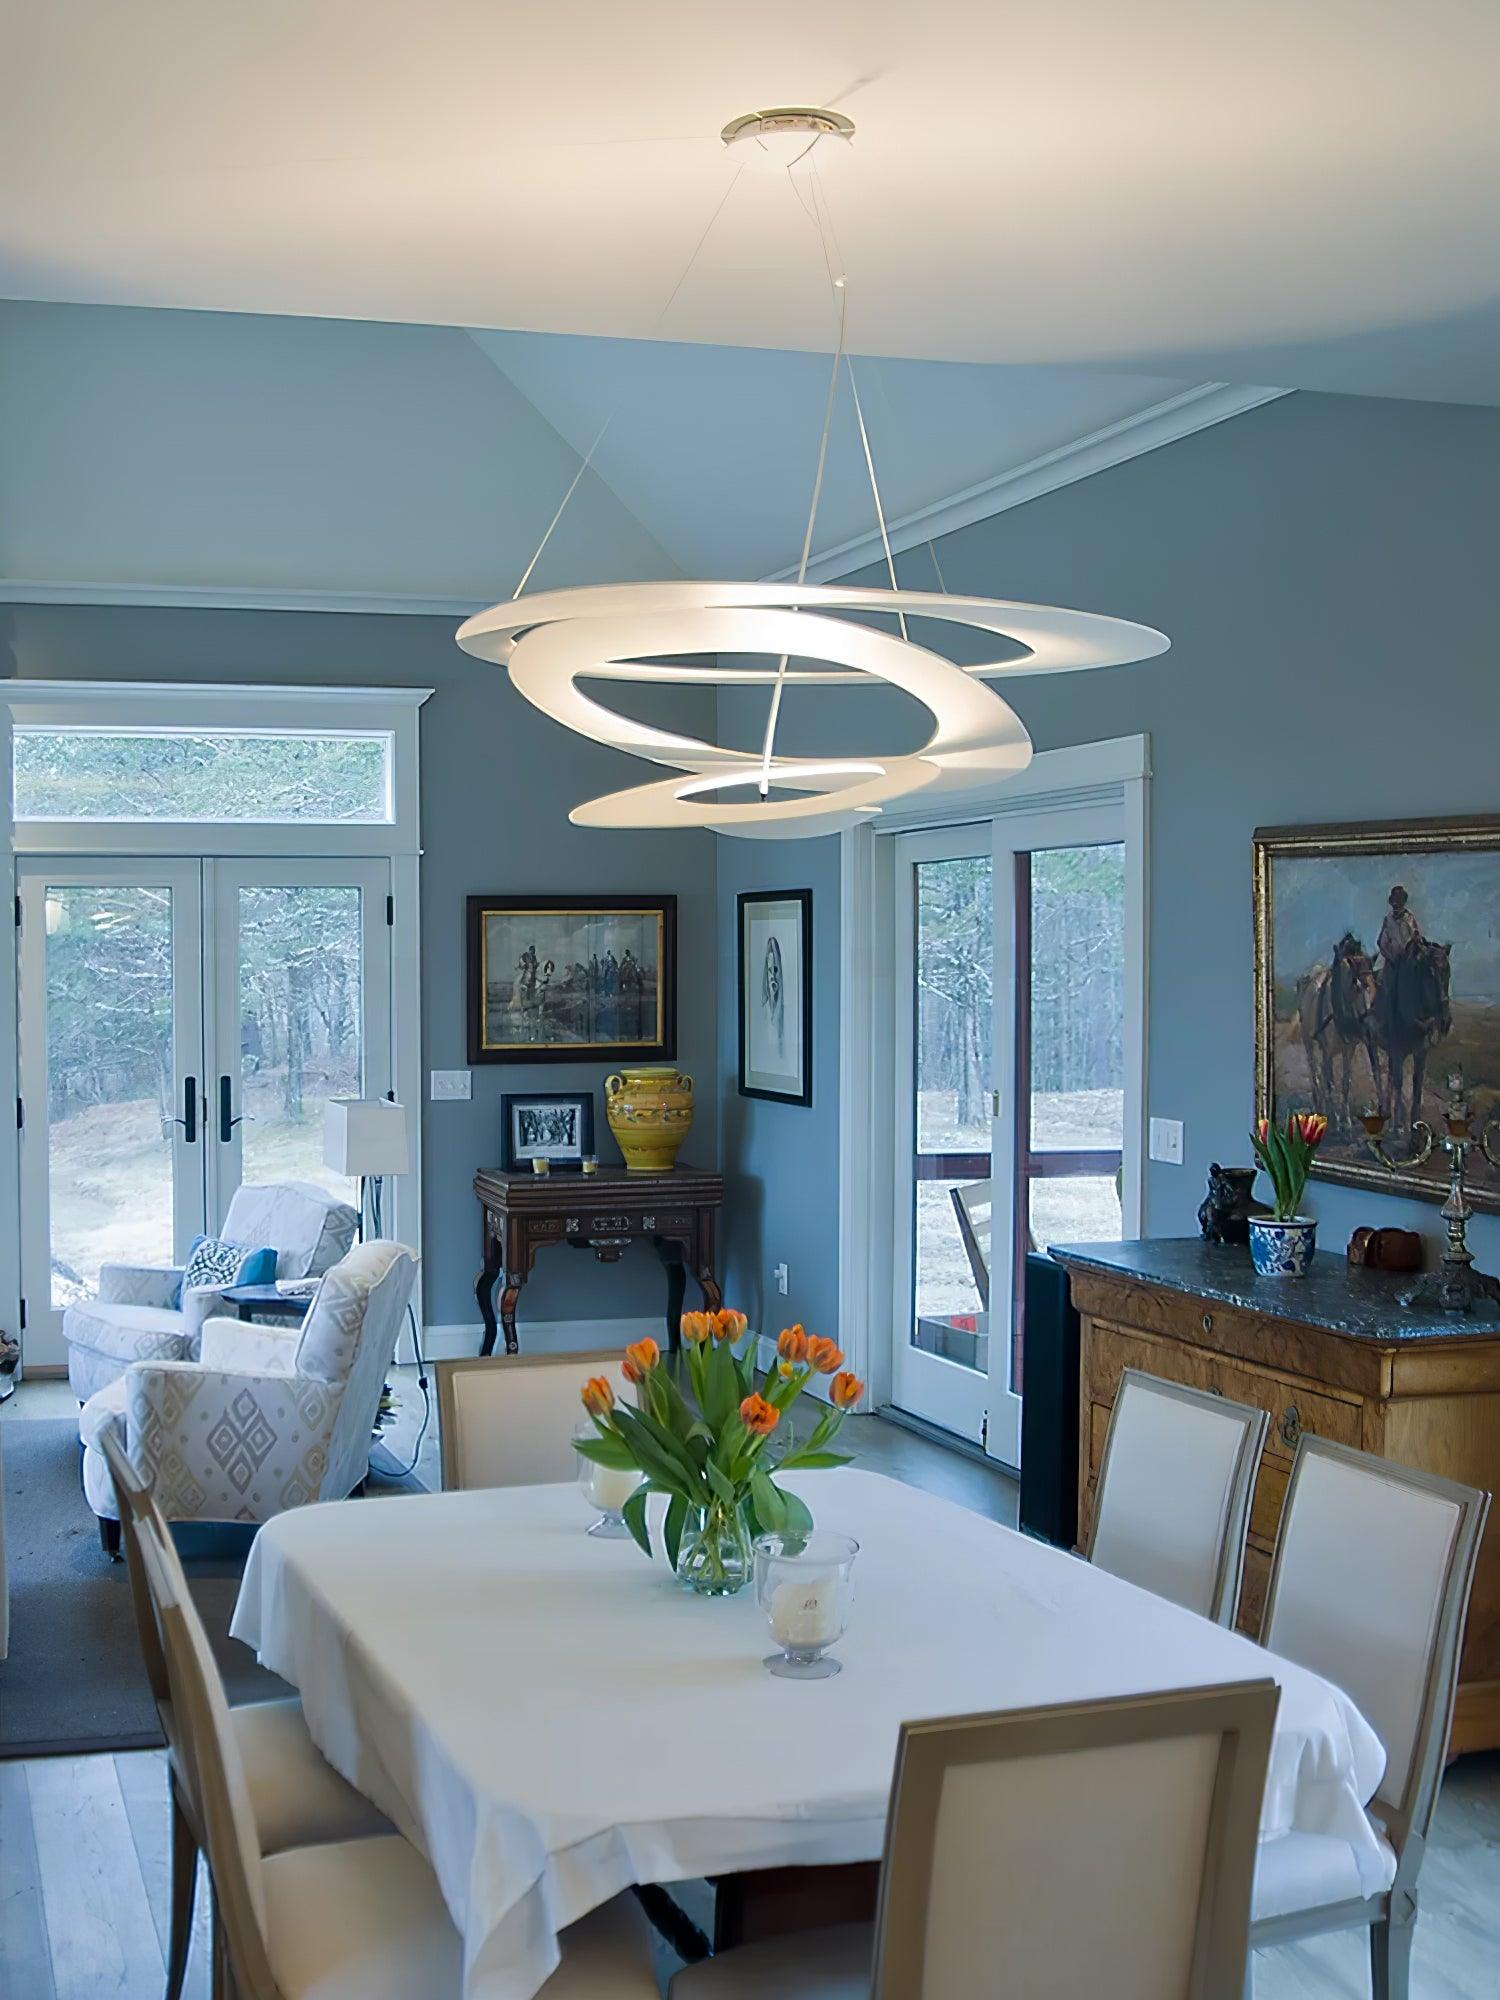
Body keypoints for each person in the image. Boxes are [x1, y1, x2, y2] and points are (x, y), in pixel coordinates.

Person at [1377, 885, 1422, 967]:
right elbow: (1382, 942)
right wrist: (1391, 958)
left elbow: (1415, 936)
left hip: (1408, 960)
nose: (1396, 902)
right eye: (1394, 899)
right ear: (1391, 902)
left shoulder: (1408, 917)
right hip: (1392, 961)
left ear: (1403, 901)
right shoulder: (1388, 919)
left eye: (1399, 899)